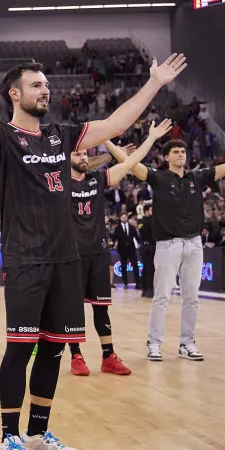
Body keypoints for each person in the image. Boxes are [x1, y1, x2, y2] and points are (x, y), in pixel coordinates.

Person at [0, 48, 189, 450]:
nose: (45, 90)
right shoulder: (3, 137)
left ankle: (37, 435)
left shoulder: (61, 135)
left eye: (47, 85)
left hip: (66, 260)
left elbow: (116, 124)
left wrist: (154, 83)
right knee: (21, 348)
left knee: (54, 347)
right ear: (15, 94)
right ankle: (8, 440)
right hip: (26, 260)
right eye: (36, 85)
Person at [109, 129, 225, 361]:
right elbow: (129, 163)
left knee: (191, 298)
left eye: (183, 151)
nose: (181, 154)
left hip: (194, 244)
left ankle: (187, 344)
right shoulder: (158, 178)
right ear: (166, 157)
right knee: (162, 297)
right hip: (168, 245)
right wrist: (106, 141)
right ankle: (154, 344)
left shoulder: (197, 177)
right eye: (176, 151)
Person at [65, 122, 173, 377]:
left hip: (98, 252)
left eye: (85, 154)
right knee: (72, 308)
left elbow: (130, 163)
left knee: (101, 307)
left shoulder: (97, 179)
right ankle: (76, 355)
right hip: (71, 254)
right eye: (78, 154)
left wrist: (151, 139)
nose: (83, 158)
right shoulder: (57, 183)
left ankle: (108, 356)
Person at [112, 212, 141, 289]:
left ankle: (138, 283)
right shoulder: (117, 228)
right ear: (120, 218)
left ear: (127, 218)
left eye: (125, 217)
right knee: (123, 266)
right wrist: (113, 243)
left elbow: (137, 237)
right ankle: (125, 283)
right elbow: (114, 238)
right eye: (122, 217)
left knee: (135, 265)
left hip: (131, 249)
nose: (124, 218)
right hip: (122, 250)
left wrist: (141, 244)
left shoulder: (132, 227)